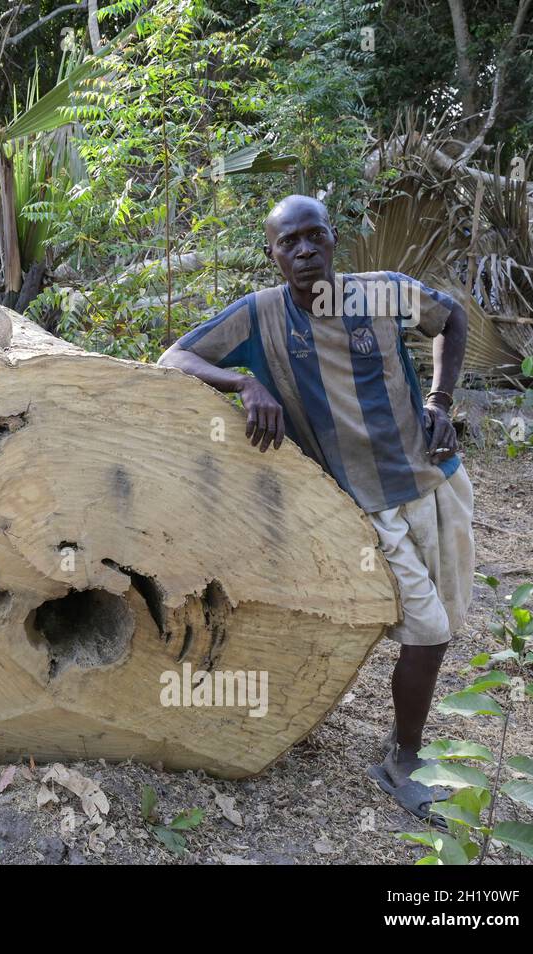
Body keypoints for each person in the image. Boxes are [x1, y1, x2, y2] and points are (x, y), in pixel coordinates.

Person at [158, 194, 473, 824]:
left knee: (444, 627)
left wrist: (439, 399)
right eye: (289, 243)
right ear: (271, 253)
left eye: (315, 238)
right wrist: (246, 383)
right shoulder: (260, 317)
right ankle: (402, 761)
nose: (304, 252)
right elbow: (175, 357)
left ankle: (403, 745)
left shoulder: (381, 293)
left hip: (438, 481)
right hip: (365, 506)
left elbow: (452, 318)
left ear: (333, 240)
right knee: (428, 631)